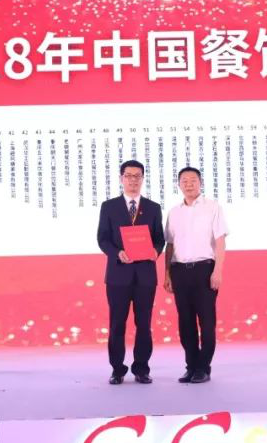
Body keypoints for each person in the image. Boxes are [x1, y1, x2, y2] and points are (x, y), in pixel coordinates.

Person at [97, 160, 165, 385]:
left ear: (142, 179)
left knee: (144, 324)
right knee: (117, 324)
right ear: (121, 178)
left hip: (145, 276)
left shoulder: (153, 207)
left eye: (137, 176)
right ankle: (117, 369)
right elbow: (103, 239)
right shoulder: (109, 206)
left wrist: (156, 251)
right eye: (128, 175)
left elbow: (159, 239)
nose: (133, 180)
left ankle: (141, 368)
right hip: (118, 275)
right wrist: (117, 253)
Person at [164, 166, 228, 384]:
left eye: (193, 180)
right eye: (184, 181)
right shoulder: (174, 212)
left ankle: (203, 367)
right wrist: (167, 274)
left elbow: (220, 241)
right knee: (185, 323)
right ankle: (191, 366)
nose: (189, 184)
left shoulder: (212, 207)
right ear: (179, 185)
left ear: (200, 183)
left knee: (207, 322)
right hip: (179, 271)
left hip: (204, 270)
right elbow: (170, 245)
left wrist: (217, 271)